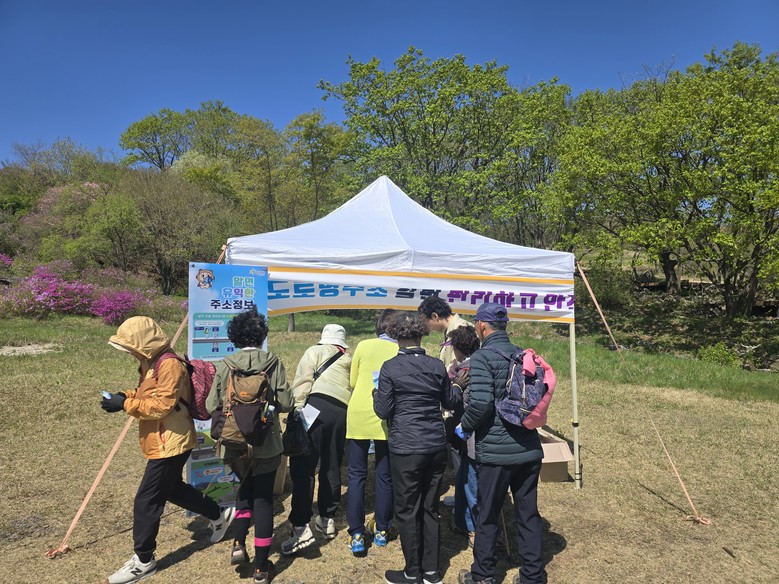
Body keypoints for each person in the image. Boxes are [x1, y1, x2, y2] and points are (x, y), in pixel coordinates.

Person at [101, 316, 234, 584]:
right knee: (171, 489)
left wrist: (124, 405)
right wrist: (125, 396)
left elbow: (161, 405)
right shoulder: (151, 362)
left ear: (144, 343)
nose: (129, 353)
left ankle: (144, 560)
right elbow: (148, 393)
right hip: (162, 439)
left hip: (172, 441)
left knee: (147, 500)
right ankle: (218, 514)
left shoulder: (170, 364)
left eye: (130, 348)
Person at [457, 303, 546, 584]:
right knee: (528, 514)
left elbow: (481, 404)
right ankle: (532, 576)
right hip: (529, 449)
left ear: (482, 326)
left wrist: (464, 426)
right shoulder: (523, 354)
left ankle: (483, 575)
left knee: (487, 515)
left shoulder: (482, 357)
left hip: (496, 454)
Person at [374, 312, 462, 584]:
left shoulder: (390, 367)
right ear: (422, 334)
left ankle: (412, 572)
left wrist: (376, 394)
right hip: (435, 444)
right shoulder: (436, 365)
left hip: (406, 446)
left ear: (396, 336)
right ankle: (432, 572)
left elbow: (383, 410)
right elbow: (449, 402)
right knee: (430, 507)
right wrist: (457, 387)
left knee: (407, 510)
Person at [206, 307, 291, 584]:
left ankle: (238, 544)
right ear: (262, 334)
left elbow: (210, 405)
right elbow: (286, 403)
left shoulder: (226, 364)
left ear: (234, 336)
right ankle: (261, 568)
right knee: (263, 500)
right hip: (266, 443)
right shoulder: (273, 363)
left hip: (234, 444)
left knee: (243, 492)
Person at [281, 324, 353, 555]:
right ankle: (327, 518)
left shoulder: (314, 351)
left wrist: (297, 410)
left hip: (314, 407)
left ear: (323, 338)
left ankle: (301, 525)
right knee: (332, 465)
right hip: (341, 413)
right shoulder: (348, 358)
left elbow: (303, 381)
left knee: (303, 468)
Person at [344, 309, 398, 555]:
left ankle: (356, 533)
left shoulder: (364, 345)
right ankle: (382, 530)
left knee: (356, 475)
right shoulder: (399, 349)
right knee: (385, 476)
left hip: (358, 414)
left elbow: (353, 381)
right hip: (386, 417)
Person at [449, 325, 481, 548]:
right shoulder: (482, 364)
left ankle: (473, 529)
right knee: (463, 477)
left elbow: (463, 404)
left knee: (471, 481)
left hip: (469, 433)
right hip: (468, 432)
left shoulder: (466, 372)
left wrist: (454, 387)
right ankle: (461, 521)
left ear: (458, 349)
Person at [417, 295, 475, 374]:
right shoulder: (450, 331)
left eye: (426, 322)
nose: (427, 327)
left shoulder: (461, 329)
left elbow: (462, 365)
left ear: (435, 316)